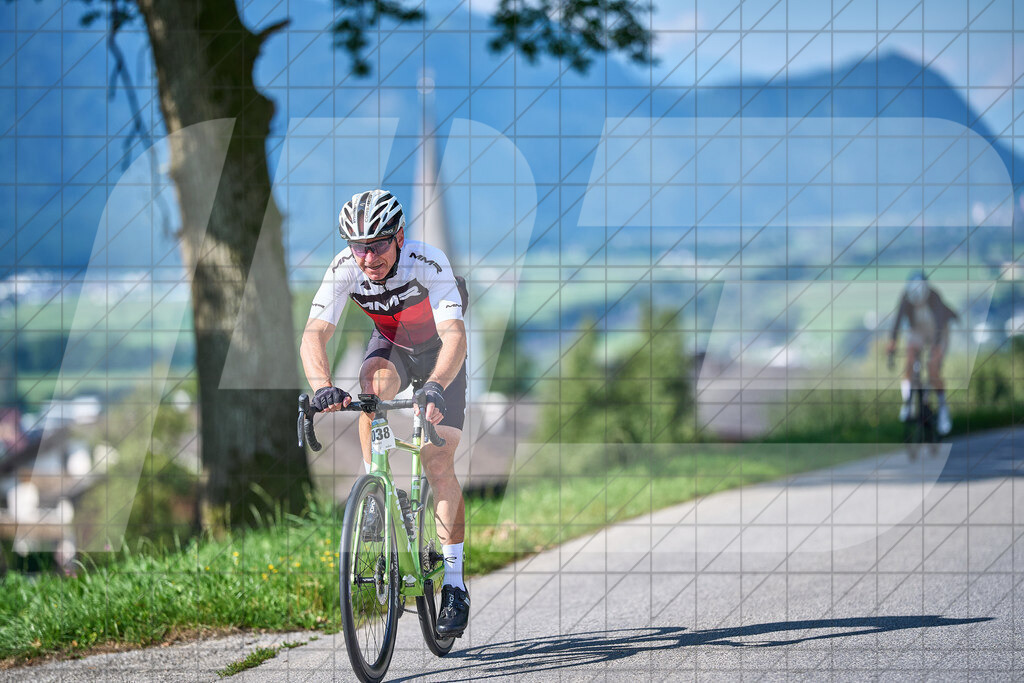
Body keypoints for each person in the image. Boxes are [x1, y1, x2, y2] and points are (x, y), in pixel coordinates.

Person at [300, 189, 471, 637]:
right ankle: (375, 485)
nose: (367, 257)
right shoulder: (344, 268)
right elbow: (313, 335)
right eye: (358, 246)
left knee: (437, 462)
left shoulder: (428, 263)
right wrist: (321, 388)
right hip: (393, 345)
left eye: (376, 245)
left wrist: (435, 385)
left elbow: (455, 336)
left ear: (399, 237)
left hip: (440, 354)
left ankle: (454, 583)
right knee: (372, 387)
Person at [886, 272, 958, 435]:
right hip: (918, 329)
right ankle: (908, 401)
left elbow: (940, 323)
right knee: (909, 357)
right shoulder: (906, 297)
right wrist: (892, 343)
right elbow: (897, 321)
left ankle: (943, 409)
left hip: (939, 330)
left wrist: (936, 349)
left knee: (933, 368)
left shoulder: (935, 297)